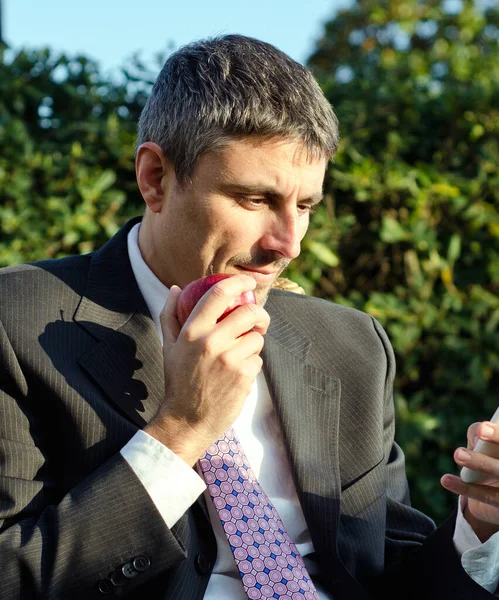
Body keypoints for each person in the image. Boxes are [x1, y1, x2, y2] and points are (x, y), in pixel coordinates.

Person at [1, 34, 498, 600]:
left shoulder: (351, 344)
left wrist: (476, 525)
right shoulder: (14, 320)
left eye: (305, 206)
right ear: (155, 178)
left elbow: (388, 575)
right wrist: (181, 431)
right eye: (254, 200)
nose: (289, 245)